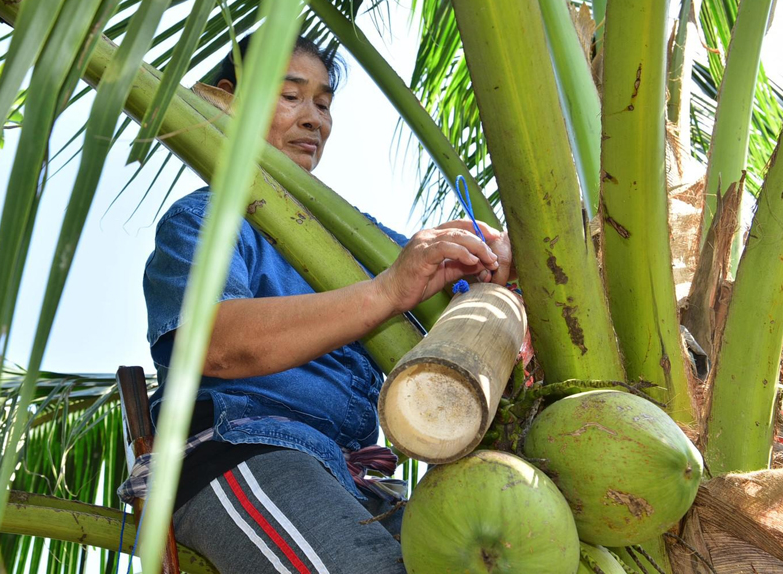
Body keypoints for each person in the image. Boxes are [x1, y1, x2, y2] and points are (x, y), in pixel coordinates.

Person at [139, 35, 512, 574]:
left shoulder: (361, 238)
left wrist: (493, 262)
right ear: (226, 100)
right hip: (243, 450)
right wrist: (386, 291)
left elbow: (466, 304)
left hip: (358, 482)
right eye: (291, 96)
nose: (314, 119)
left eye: (323, 103)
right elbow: (217, 345)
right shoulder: (207, 216)